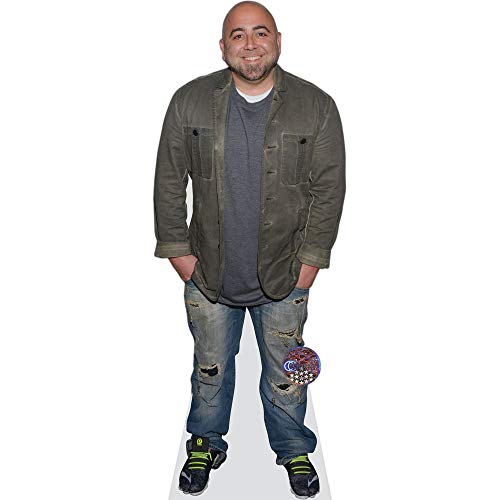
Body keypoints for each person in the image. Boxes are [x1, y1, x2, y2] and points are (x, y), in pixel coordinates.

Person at [153, 1, 346, 497]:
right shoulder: (189, 102)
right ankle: (205, 441)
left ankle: (294, 447)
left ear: (278, 40)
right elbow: (170, 181)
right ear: (223, 47)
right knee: (209, 368)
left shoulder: (316, 106)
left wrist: (311, 261)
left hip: (286, 273)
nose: (250, 44)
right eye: (237, 35)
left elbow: (329, 189)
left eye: (261, 33)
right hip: (208, 274)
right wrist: (179, 253)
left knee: (286, 372)